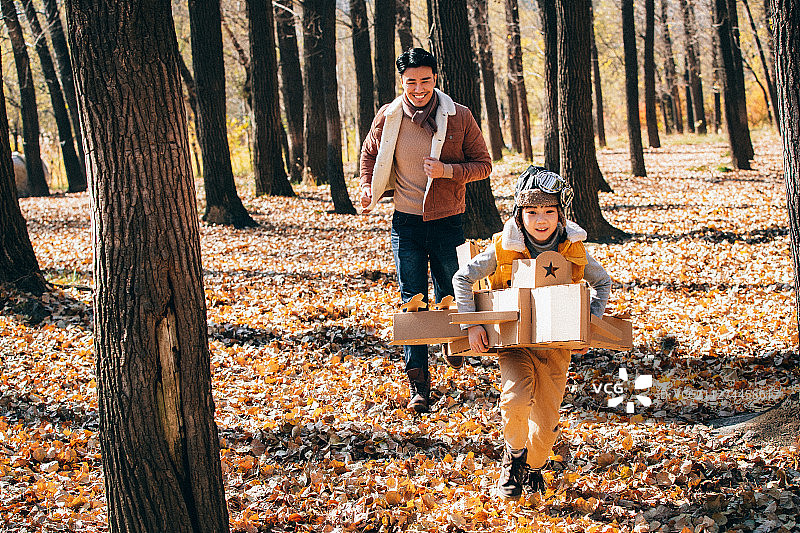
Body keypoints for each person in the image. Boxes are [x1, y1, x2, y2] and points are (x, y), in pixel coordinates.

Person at [452, 166, 612, 499]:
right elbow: (462, 278)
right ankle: (512, 459)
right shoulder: (503, 248)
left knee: (546, 424)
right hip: (515, 344)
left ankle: (535, 467)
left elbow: (602, 283)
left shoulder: (574, 248)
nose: (541, 219)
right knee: (515, 402)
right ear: (519, 214)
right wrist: (472, 323)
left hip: (555, 347)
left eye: (549, 211)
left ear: (560, 215)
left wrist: (588, 327)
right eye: (532, 211)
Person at [359, 48, 492, 413]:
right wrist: (367, 185)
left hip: (448, 220)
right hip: (406, 223)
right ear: (401, 81)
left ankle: (454, 343)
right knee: (412, 298)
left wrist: (447, 171)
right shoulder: (388, 117)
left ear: (436, 78)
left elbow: (484, 165)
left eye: (426, 80)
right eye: (411, 81)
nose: (419, 89)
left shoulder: (459, 116)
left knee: (451, 288)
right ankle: (419, 382)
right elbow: (369, 153)